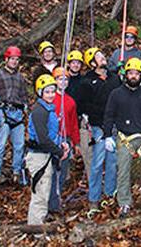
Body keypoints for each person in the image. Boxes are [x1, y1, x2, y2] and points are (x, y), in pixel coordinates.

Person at [103, 58, 141, 217]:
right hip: (125, 138)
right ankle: (124, 202)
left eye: (136, 74)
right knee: (123, 171)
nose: (133, 76)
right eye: (130, 73)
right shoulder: (116, 94)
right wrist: (107, 136)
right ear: (126, 75)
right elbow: (109, 116)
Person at [79, 47, 121, 211]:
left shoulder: (114, 79)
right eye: (99, 56)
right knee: (97, 162)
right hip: (98, 127)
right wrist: (101, 120)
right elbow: (84, 105)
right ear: (92, 62)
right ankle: (94, 197)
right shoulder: (87, 82)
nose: (103, 58)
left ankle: (110, 194)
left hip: (113, 126)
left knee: (112, 162)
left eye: (103, 55)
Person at [26, 74, 70, 225]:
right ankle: (35, 229)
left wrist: (62, 143)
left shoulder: (49, 109)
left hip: (47, 155)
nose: (51, 95)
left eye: (52, 91)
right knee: (40, 195)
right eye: (47, 92)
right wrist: (59, 152)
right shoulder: (39, 112)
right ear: (40, 93)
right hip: (39, 157)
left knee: (44, 192)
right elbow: (43, 139)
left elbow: (52, 134)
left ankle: (39, 224)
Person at [0, 46, 28, 185]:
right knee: (0, 144)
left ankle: (17, 172)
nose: (15, 62)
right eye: (12, 59)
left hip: (17, 113)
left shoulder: (20, 78)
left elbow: (24, 95)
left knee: (19, 145)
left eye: (17, 59)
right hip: (2, 111)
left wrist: (25, 108)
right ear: (6, 59)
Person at [48, 67, 80, 216]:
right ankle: (50, 202)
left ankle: (56, 200)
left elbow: (73, 123)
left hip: (65, 140)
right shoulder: (49, 98)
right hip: (52, 140)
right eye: (60, 79)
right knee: (51, 172)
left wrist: (76, 142)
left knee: (62, 172)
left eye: (65, 79)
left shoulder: (70, 101)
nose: (63, 82)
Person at [65, 50, 91, 182]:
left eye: (78, 63)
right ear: (69, 64)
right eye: (73, 62)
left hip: (79, 118)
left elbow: (87, 99)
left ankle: (88, 175)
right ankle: (66, 174)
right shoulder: (63, 79)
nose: (75, 65)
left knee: (84, 147)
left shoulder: (83, 81)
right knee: (65, 146)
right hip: (65, 117)